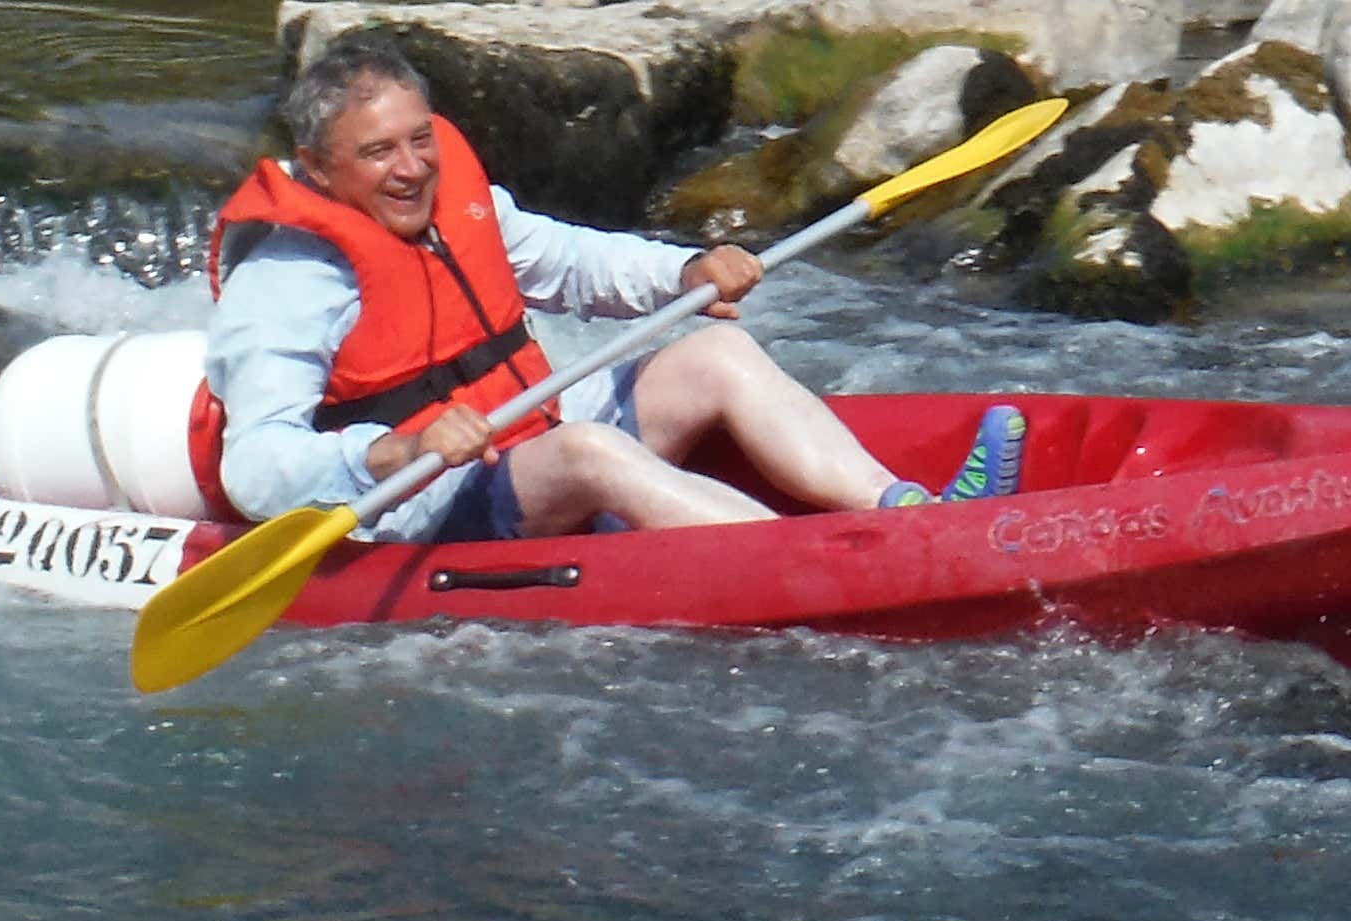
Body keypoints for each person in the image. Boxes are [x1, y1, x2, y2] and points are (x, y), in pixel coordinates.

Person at [204, 39, 1022, 544]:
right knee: (591, 452)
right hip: (422, 501)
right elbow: (258, 470)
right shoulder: (287, 276)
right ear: (317, 167)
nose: (414, 166)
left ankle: (904, 508)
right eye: (379, 152)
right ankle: (815, 560)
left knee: (718, 351)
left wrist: (683, 273)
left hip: (528, 430)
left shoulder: (448, 201)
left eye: (421, 139)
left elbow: (568, 262)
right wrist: (401, 449)